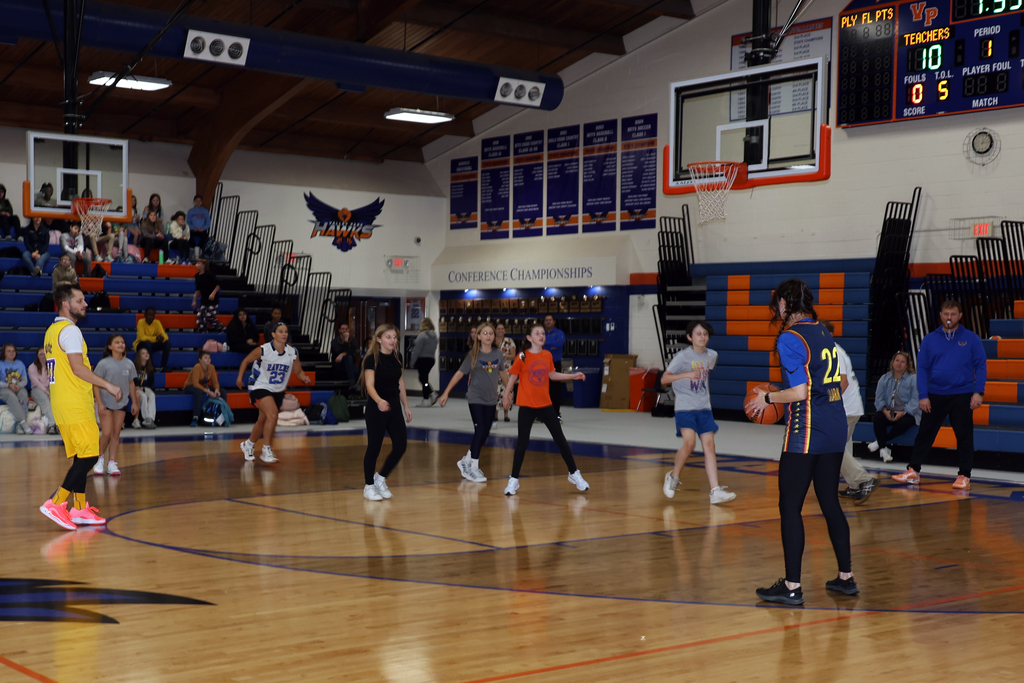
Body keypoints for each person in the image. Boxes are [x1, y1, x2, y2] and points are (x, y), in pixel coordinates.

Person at [747, 279, 856, 605]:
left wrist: (767, 397)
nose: (777, 308)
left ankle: (792, 586)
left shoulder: (790, 338)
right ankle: (846, 578)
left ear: (785, 303)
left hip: (808, 429)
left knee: (789, 506)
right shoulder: (824, 332)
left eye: (779, 302)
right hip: (836, 424)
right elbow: (840, 382)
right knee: (829, 501)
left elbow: (800, 392)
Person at [39, 284, 122, 530]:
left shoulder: (52, 330)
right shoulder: (71, 331)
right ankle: (56, 502)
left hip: (64, 402)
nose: (85, 304)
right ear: (66, 304)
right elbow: (78, 368)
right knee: (89, 456)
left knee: (81, 455)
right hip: (74, 402)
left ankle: (80, 509)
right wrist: (108, 385)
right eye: (80, 300)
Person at [892, 299, 986, 490]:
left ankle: (964, 475)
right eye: (946, 314)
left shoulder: (971, 338)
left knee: (964, 435)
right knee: (925, 434)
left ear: (960, 316)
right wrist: (923, 395)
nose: (949, 317)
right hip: (935, 394)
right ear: (940, 315)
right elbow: (922, 369)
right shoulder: (929, 339)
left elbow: (981, 366)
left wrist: (979, 392)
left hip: (962, 393)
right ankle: (913, 471)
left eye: (953, 314)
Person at [501, 323, 589, 496]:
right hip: (526, 405)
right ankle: (513, 480)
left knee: (561, 440)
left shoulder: (547, 354)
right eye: (537, 333)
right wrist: (506, 394)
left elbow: (552, 375)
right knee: (522, 443)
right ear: (529, 338)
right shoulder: (522, 356)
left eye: (543, 333)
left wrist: (572, 376)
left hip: (545, 405)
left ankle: (574, 474)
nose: (541, 336)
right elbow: (513, 376)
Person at [661, 320, 737, 505]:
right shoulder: (682, 357)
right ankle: (672, 476)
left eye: (705, 334)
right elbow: (664, 379)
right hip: (685, 407)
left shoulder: (712, 356)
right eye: (698, 334)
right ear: (690, 337)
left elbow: (705, 378)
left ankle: (715, 491)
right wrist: (685, 374)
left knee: (709, 445)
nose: (702, 337)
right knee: (689, 444)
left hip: (704, 406)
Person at [439, 322, 507, 483]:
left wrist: (508, 393)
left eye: (491, 333)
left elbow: (504, 374)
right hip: (475, 397)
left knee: (485, 432)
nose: (489, 336)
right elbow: (458, 374)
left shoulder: (498, 354)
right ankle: (474, 468)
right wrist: (446, 392)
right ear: (478, 336)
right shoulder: (473, 355)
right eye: (485, 333)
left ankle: (466, 460)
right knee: (480, 429)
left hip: (491, 398)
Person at [236, 322, 311, 463]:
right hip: (259, 386)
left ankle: (248, 444)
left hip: (277, 391)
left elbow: (298, 371)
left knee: (264, 419)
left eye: (286, 332)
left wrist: (303, 377)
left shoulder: (292, 352)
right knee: (272, 414)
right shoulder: (263, 350)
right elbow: (246, 360)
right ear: (273, 334)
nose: (284, 334)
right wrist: (240, 378)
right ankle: (266, 449)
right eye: (281, 331)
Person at [822, 320, 876, 504]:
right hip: (847, 408)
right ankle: (854, 486)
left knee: (832, 449)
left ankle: (864, 479)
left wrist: (827, 402)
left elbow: (842, 383)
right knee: (838, 448)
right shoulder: (829, 351)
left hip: (846, 409)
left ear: (828, 335)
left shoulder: (834, 351)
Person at [359, 324, 412, 501]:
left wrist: (406, 406)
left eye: (395, 337)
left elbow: (400, 382)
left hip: (394, 408)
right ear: (379, 339)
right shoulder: (371, 359)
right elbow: (369, 385)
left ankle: (380, 479)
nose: (393, 340)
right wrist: (379, 401)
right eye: (388, 337)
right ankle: (368, 486)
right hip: (377, 408)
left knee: (401, 446)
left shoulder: (398, 357)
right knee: (374, 447)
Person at [92, 334, 139, 476]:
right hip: (106, 403)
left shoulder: (129, 364)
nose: (120, 344)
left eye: (123, 342)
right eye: (117, 342)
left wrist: (134, 402)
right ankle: (100, 458)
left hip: (122, 404)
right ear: (110, 347)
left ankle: (111, 462)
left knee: (115, 434)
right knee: (106, 432)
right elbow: (96, 384)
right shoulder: (104, 364)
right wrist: (99, 403)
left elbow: (131, 384)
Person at [868, 351, 920, 463]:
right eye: (897, 361)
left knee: (905, 422)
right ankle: (883, 448)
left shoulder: (913, 379)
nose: (899, 364)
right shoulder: (884, 378)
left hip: (907, 412)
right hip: (890, 410)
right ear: (892, 363)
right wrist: (885, 411)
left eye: (902, 362)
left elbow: (915, 400)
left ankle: (879, 443)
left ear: (907, 365)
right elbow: (879, 399)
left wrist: (903, 411)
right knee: (878, 417)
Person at [0, 343, 30, 434]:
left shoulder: (20, 364)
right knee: (11, 396)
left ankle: (20, 426)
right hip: (4, 388)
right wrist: (8, 385)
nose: (12, 353)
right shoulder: (1, 364)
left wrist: (19, 385)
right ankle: (23, 422)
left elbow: (25, 380)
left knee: (23, 394)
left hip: (17, 387)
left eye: (13, 351)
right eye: (9, 351)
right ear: (4, 353)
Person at [185, 349, 220, 427]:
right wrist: (209, 392)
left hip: (203, 387)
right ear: (200, 360)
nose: (208, 360)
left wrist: (217, 389)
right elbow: (195, 384)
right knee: (198, 392)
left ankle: (220, 415)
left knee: (222, 392)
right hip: (190, 386)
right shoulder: (197, 367)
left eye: (209, 358)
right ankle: (195, 417)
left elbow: (215, 382)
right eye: (206, 358)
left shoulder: (211, 367)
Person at [409, 318, 438, 406]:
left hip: (422, 359)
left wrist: (412, 362)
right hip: (431, 359)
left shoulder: (422, 335)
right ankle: (427, 398)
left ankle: (431, 394)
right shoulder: (434, 336)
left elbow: (416, 350)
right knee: (424, 379)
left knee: (423, 379)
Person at [542, 314, 566, 420]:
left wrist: (545, 343)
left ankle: (556, 414)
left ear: (554, 322)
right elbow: (537, 344)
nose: (548, 322)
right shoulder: (540, 333)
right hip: (542, 365)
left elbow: (559, 344)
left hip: (555, 363)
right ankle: (542, 415)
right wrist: (551, 344)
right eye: (546, 320)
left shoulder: (559, 333)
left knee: (555, 390)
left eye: (550, 320)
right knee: (542, 390)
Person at [28, 347, 57, 434]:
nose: (43, 356)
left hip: (50, 388)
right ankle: (52, 425)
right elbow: (36, 383)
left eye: (45, 354)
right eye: (41, 354)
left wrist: (52, 391)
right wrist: (47, 392)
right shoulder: (32, 367)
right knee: (45, 401)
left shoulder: (51, 366)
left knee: (57, 399)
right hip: (37, 389)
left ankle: (61, 423)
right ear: (37, 355)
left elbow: (53, 380)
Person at [134, 307, 171, 372]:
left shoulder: (157, 322)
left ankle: (163, 366)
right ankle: (150, 367)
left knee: (167, 343)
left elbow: (165, 336)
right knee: (147, 343)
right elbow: (142, 337)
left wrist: (162, 338)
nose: (150, 317)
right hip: (140, 345)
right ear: (144, 315)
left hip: (151, 345)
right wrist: (156, 338)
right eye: (149, 315)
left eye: (152, 315)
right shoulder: (141, 322)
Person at [192, 258, 223, 332]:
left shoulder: (209, 274)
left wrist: (213, 293)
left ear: (203, 265)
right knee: (200, 319)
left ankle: (222, 328)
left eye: (198, 263)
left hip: (213, 300)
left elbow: (218, 284)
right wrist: (194, 300)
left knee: (209, 316)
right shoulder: (197, 276)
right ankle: (204, 332)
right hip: (204, 300)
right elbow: (198, 290)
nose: (196, 265)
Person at [133, 346, 158, 429]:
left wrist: (146, 388)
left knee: (151, 395)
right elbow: (131, 380)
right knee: (143, 396)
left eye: (147, 353)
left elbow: (151, 383)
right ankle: (145, 417)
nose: (146, 354)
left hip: (146, 388)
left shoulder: (150, 368)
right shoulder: (134, 367)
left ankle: (150, 418)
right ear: (139, 356)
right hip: (136, 388)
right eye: (143, 353)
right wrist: (136, 387)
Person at [496, 322, 516, 422]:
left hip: (507, 369)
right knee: (496, 391)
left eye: (502, 329)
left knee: (507, 390)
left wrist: (502, 355)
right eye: (498, 329)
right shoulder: (492, 341)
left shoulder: (509, 341)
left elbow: (513, 356)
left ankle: (506, 414)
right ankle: (495, 414)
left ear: (505, 330)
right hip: (494, 370)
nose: (500, 330)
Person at [187, 194, 210, 260]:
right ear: (194, 201)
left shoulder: (205, 211)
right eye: (197, 201)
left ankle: (199, 249)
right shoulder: (190, 211)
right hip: (193, 230)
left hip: (202, 230)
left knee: (205, 237)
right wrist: (192, 227)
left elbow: (208, 222)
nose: (198, 202)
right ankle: (195, 248)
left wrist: (204, 228)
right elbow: (188, 222)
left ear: (201, 202)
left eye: (200, 201)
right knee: (189, 236)